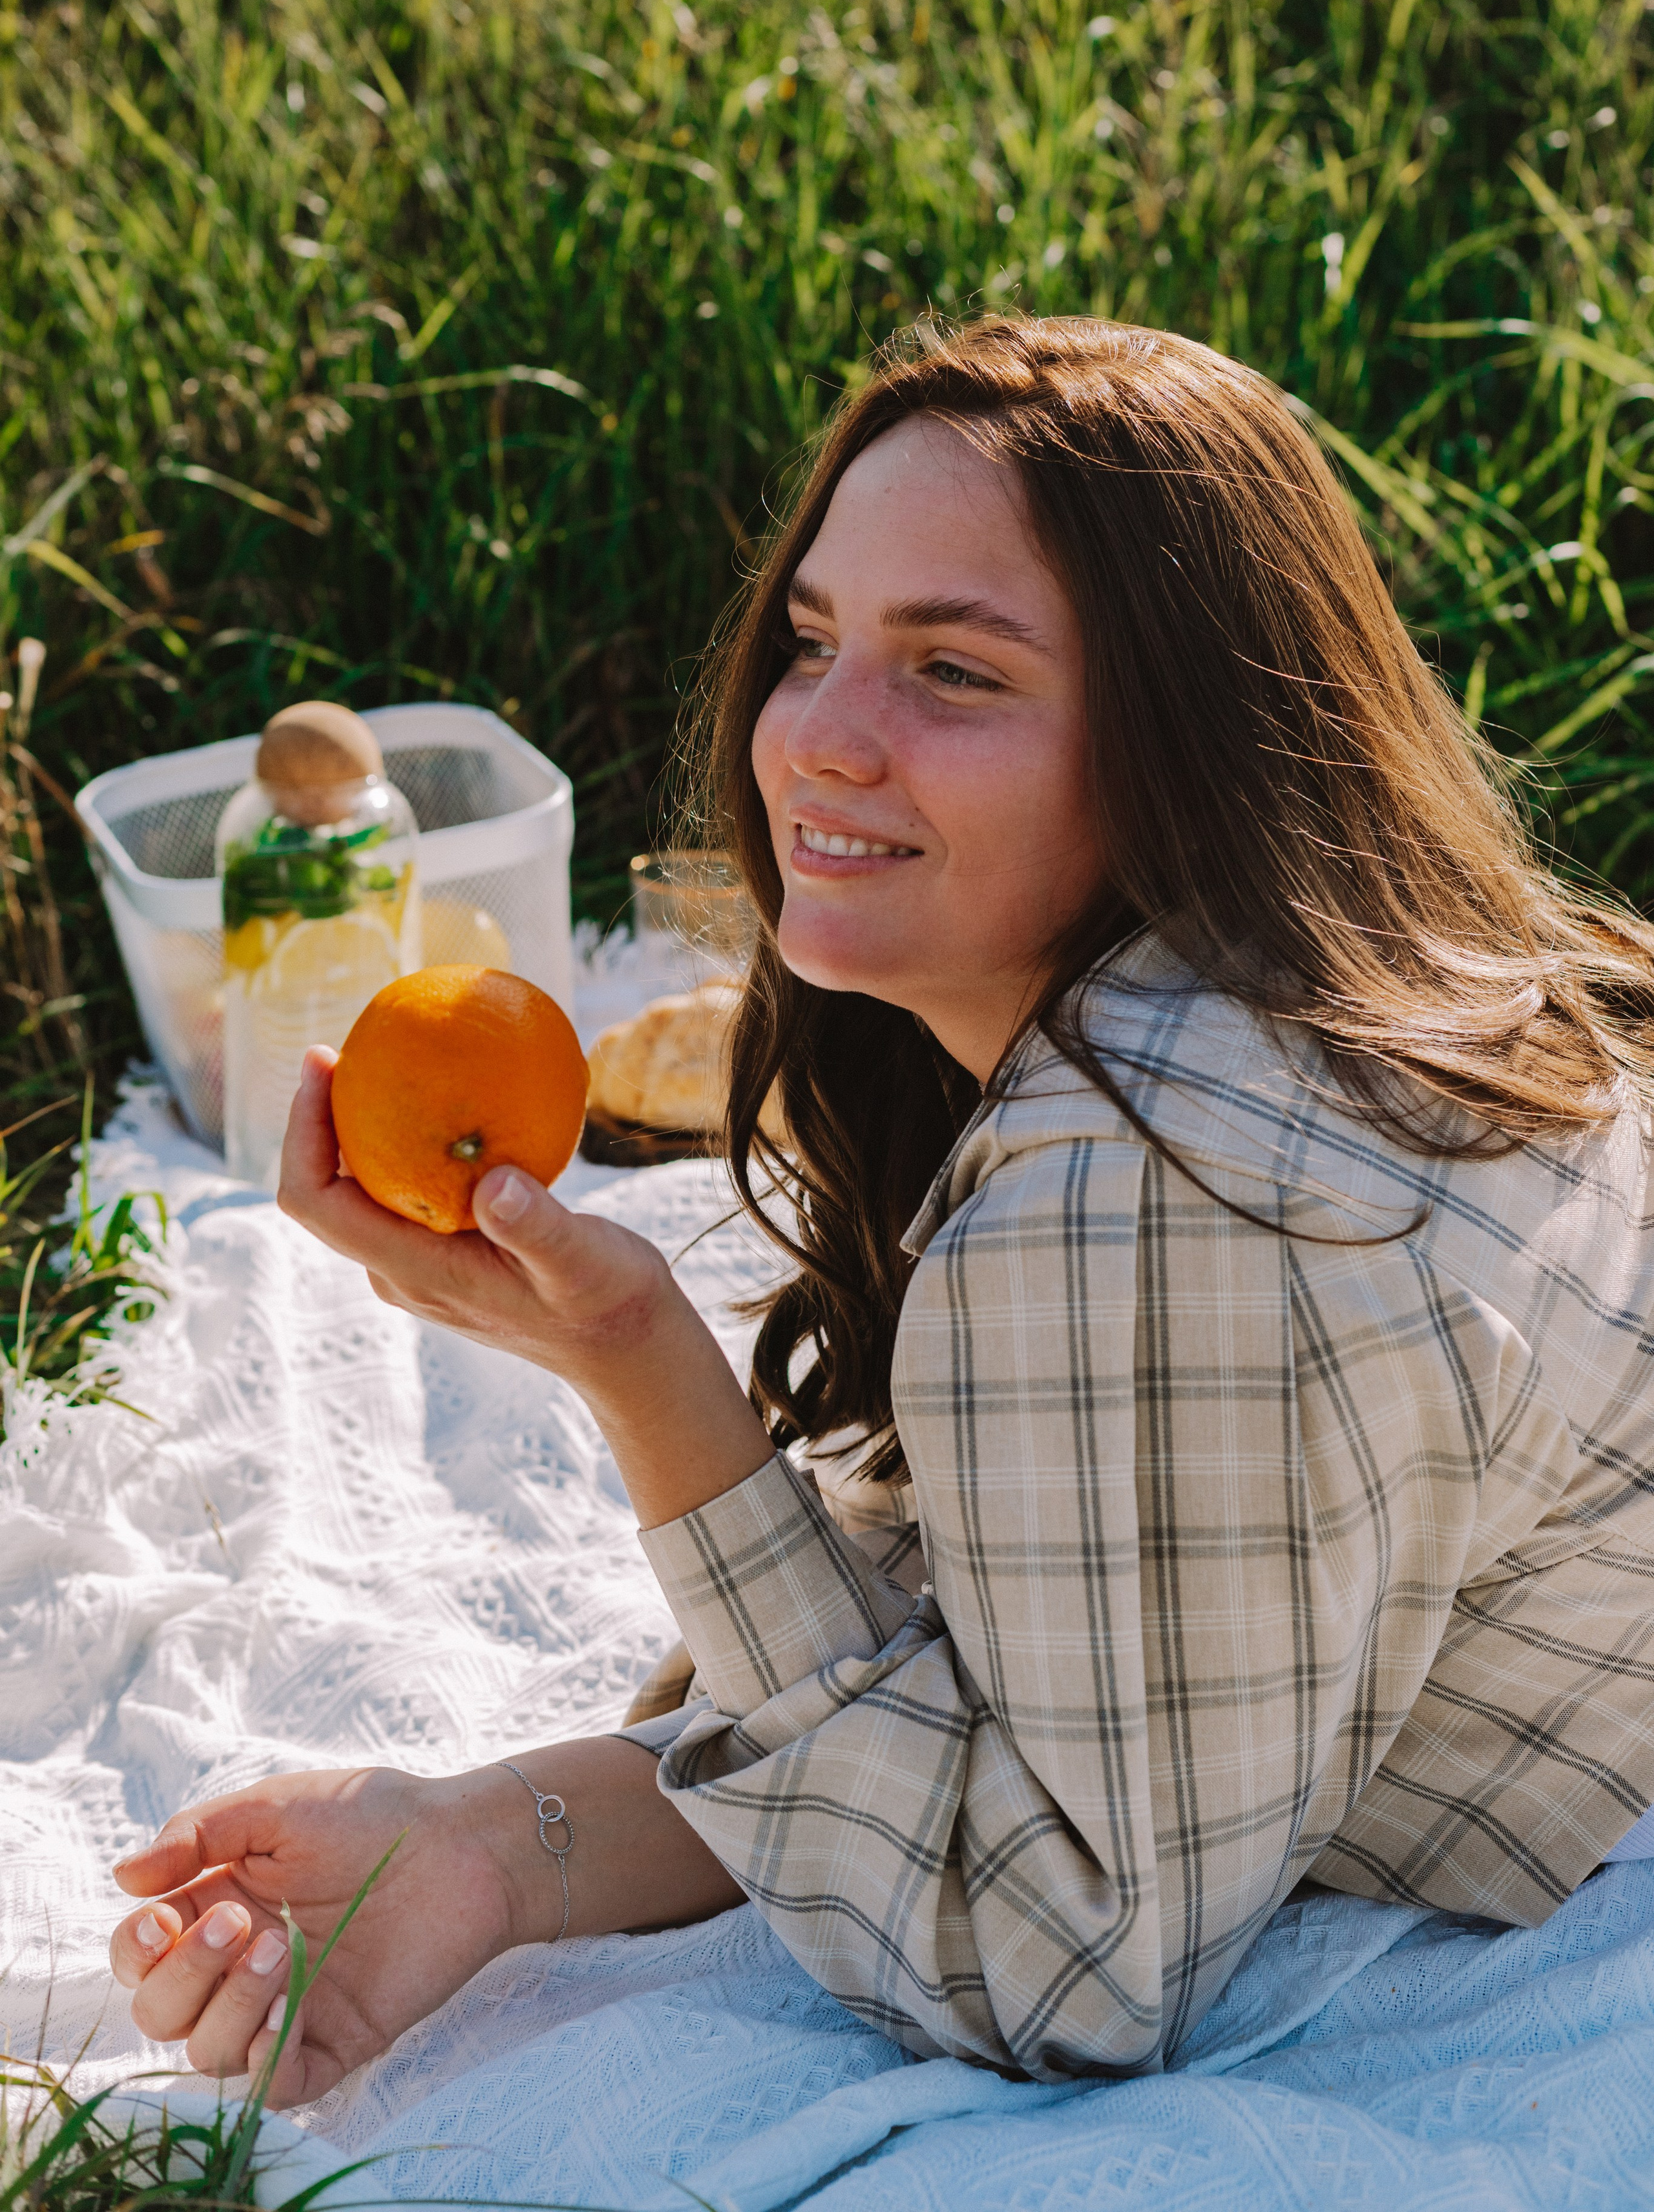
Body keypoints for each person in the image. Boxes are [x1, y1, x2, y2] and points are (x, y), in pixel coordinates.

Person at [109, 315, 1654, 2104]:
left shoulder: (1144, 1183)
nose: (818, 736)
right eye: (818, 640)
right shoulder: (1356, 987)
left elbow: (1064, 1969)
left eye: (958, 672)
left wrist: (639, 1365)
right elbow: (966, 1664)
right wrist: (486, 1845)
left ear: (1181, 740)